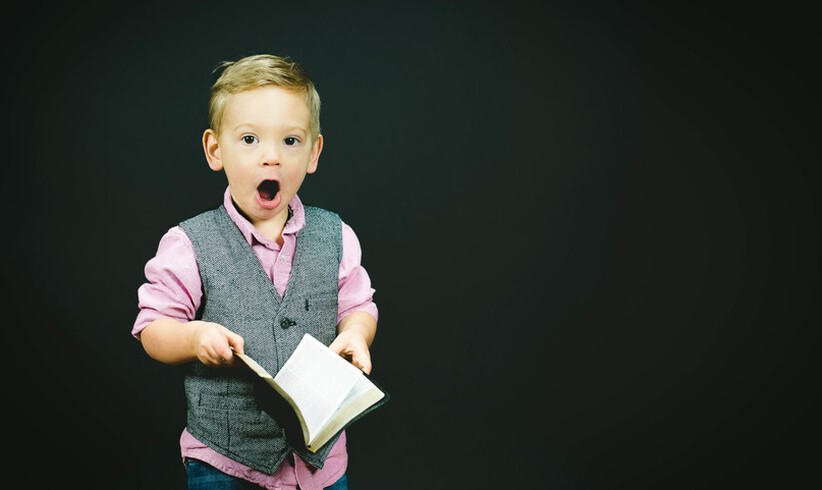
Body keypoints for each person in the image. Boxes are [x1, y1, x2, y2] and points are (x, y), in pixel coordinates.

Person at [132, 54, 378, 490]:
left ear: (314, 152)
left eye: (290, 141)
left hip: (319, 465)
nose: (271, 158)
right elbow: (152, 328)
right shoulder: (188, 243)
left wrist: (357, 333)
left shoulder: (336, 235)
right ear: (215, 150)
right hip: (226, 462)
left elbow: (359, 304)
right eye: (249, 139)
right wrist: (193, 336)